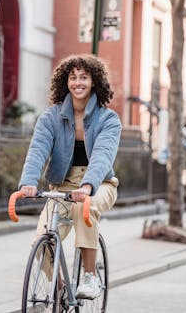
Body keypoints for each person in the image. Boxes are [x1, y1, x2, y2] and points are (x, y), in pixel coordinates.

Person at [18, 54, 121, 300]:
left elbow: (103, 155)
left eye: (84, 77)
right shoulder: (51, 117)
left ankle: (89, 276)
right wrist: (29, 181)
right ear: (66, 82)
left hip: (99, 184)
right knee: (41, 244)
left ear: (94, 82)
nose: (78, 82)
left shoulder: (108, 120)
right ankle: (62, 289)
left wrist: (88, 186)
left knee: (83, 208)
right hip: (62, 185)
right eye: (73, 77)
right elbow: (38, 148)